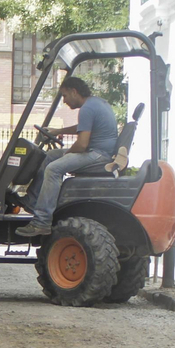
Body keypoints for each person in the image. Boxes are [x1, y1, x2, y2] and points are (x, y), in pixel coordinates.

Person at [15, 76, 118, 239]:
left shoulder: (87, 108)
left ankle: (41, 222)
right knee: (48, 156)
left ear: (74, 91)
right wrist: (57, 131)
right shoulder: (96, 103)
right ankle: (33, 201)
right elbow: (83, 127)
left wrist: (66, 156)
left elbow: (82, 144)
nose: (64, 100)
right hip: (98, 152)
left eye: (64, 95)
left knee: (54, 168)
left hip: (97, 155)